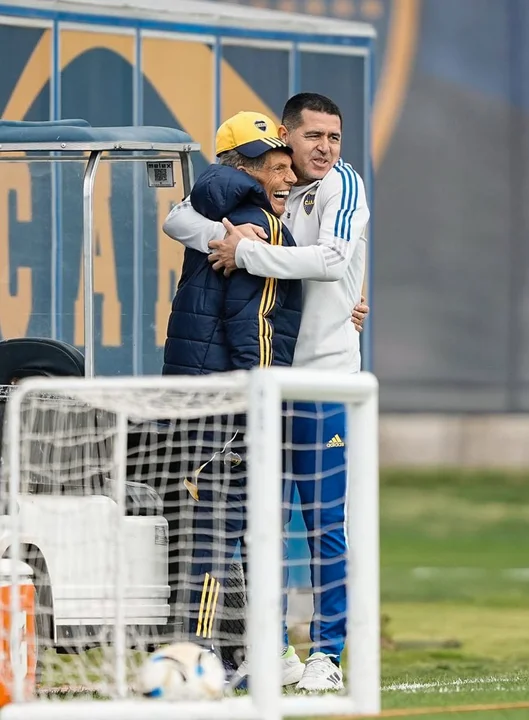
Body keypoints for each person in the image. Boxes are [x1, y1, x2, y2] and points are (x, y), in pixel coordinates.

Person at [163, 93, 370, 693]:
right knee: (263, 525)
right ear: (287, 136)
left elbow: (332, 260)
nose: (325, 149)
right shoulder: (266, 189)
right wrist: (224, 237)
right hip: (268, 379)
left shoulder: (341, 185)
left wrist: (247, 252)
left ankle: (326, 653)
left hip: (323, 380)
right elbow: (177, 219)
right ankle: (274, 649)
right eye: (313, 137)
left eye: (334, 137)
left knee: (324, 522)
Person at [162, 110, 305, 687]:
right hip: (231, 405)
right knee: (217, 533)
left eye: (288, 166)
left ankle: (233, 655)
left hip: (202, 399)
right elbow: (257, 326)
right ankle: (203, 656)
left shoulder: (218, 215)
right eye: (276, 166)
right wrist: (262, 401)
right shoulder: (255, 225)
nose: (289, 177)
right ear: (243, 168)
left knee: (214, 531)